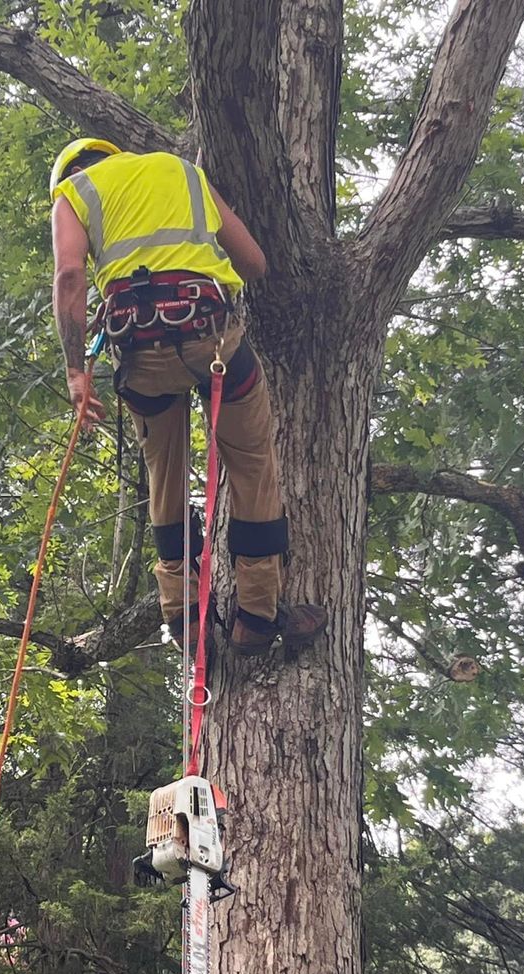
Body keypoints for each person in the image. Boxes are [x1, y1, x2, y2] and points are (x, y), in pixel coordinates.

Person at [49, 137, 327, 657]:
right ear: (114, 155)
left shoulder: (74, 192)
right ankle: (257, 618)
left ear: (72, 169)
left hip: (139, 356)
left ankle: (184, 618)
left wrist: (74, 371)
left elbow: (69, 274)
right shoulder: (184, 173)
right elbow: (254, 264)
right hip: (212, 336)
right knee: (252, 468)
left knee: (165, 477)